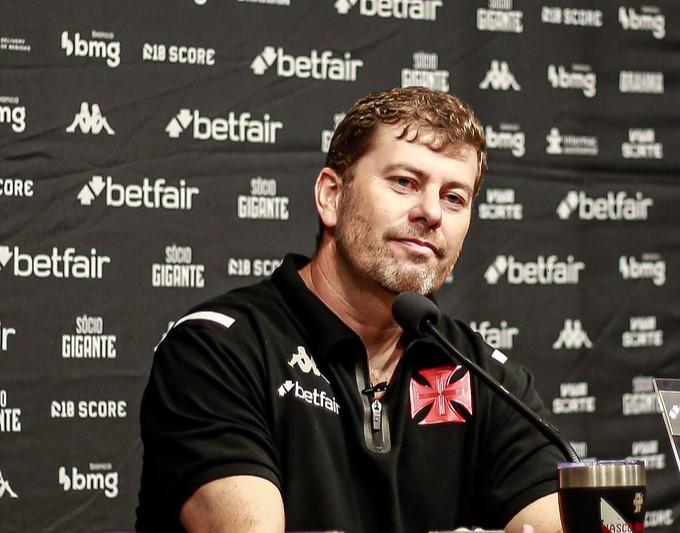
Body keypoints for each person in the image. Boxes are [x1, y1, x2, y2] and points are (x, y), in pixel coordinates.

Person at [136, 87, 565, 533]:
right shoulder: (216, 350)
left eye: (454, 197)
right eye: (405, 182)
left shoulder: (484, 377)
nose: (432, 213)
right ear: (331, 197)